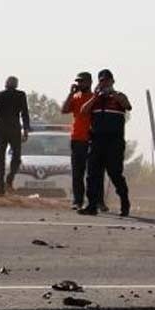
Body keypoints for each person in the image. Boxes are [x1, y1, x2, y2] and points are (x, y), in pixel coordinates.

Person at [78, 69, 132, 217]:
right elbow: (83, 111)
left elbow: (127, 105)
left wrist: (112, 93)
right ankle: (92, 205)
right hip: (97, 141)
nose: (104, 83)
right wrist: (95, 96)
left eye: (107, 81)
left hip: (114, 142)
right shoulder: (96, 99)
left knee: (115, 173)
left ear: (112, 81)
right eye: (102, 81)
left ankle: (125, 202)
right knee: (92, 174)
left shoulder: (119, 96)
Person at [0, 76, 30, 196]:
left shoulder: (0, 95)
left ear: (6, 84)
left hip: (2, 128)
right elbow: (25, 113)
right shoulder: (20, 95)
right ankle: (7, 182)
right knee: (16, 157)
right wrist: (25, 129)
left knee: (0, 159)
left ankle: (1, 189)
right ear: (16, 85)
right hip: (13, 128)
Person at [60, 72, 94, 209]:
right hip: (77, 138)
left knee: (92, 173)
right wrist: (70, 93)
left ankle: (94, 200)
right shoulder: (75, 97)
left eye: (82, 82)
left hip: (91, 139)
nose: (80, 84)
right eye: (78, 82)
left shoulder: (94, 98)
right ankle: (77, 200)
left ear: (90, 82)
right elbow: (64, 110)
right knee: (77, 172)